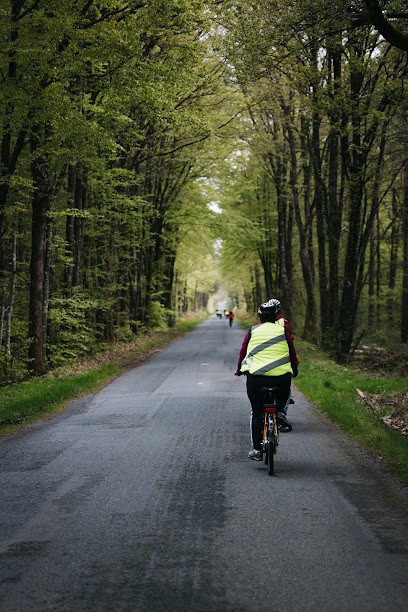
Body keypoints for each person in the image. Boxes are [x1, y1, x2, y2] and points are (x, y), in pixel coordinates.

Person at [235, 298, 299, 461]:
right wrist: (294, 371)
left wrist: (239, 370)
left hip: (256, 379)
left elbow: (243, 352)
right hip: (281, 379)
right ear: (276, 316)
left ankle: (257, 449)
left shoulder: (253, 330)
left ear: (260, 317)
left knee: (256, 412)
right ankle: (279, 414)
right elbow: (292, 353)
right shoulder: (283, 331)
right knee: (282, 400)